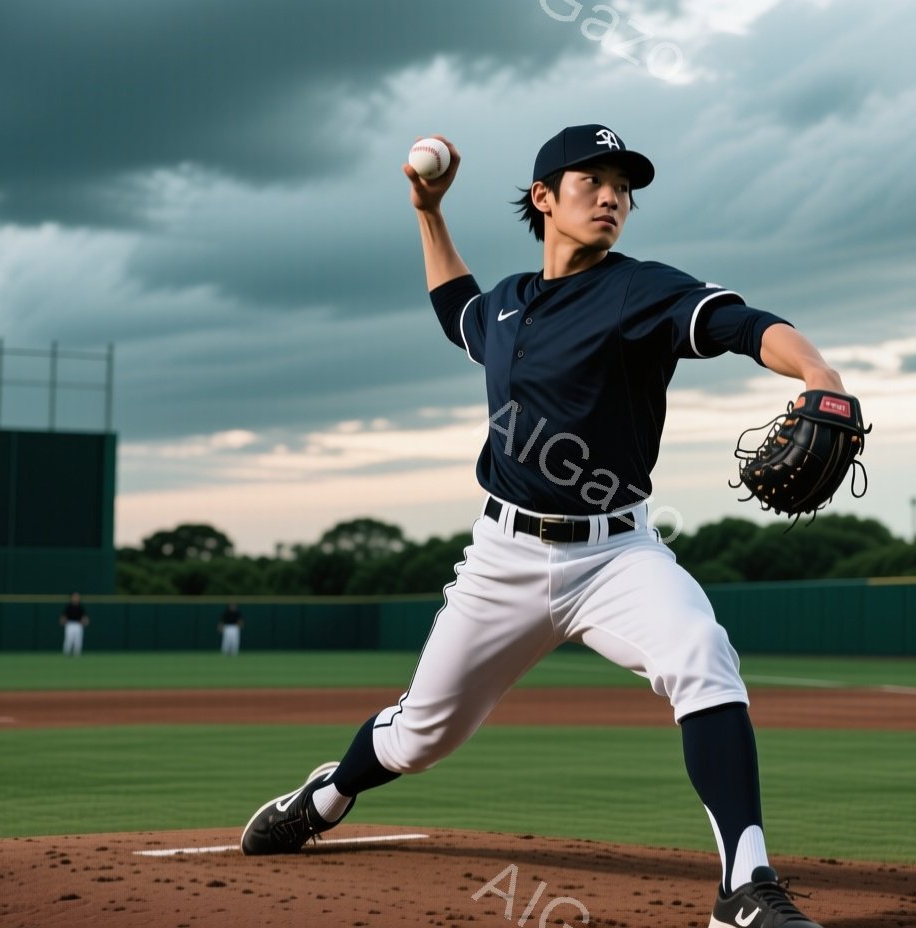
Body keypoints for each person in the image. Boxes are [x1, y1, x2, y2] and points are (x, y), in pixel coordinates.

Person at [241, 125, 851, 928]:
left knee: (703, 656)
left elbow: (742, 323)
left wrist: (819, 374)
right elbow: (454, 307)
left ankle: (745, 885)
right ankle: (328, 792)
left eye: (624, 187)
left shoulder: (640, 291)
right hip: (503, 557)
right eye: (592, 180)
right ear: (543, 197)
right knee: (420, 738)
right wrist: (428, 212)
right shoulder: (504, 306)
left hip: (618, 554)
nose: (612, 197)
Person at [59, 592, 87, 657]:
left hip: (78, 624)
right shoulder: (68, 606)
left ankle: (77, 653)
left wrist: (85, 621)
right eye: (75, 596)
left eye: (77, 597)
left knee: (78, 640)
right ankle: (66, 653)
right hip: (70, 624)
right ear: (71, 598)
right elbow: (64, 616)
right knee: (69, 639)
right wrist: (62, 621)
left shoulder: (80, 606)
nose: (76, 598)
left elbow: (84, 616)